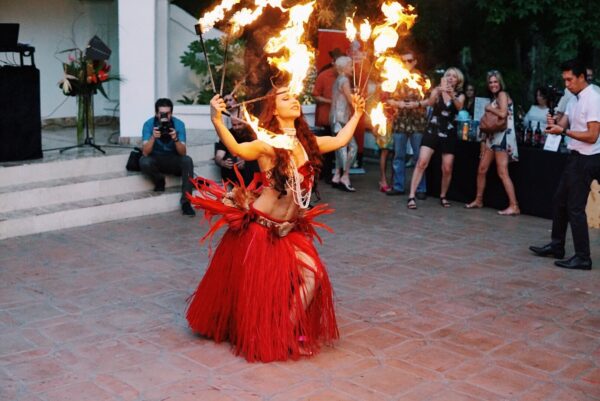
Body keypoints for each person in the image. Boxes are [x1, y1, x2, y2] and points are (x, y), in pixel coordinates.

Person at [185, 86, 366, 362]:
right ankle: (278, 334)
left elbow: (340, 139)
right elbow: (237, 149)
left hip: (289, 229)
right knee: (264, 289)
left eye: (294, 97)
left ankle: (284, 329)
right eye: (285, 98)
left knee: (312, 276)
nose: (293, 101)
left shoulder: (308, 144)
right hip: (261, 229)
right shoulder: (266, 144)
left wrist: (358, 113)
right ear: (274, 109)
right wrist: (216, 120)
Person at [529, 59, 600, 270]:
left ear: (581, 77)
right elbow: (561, 125)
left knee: (575, 208)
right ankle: (557, 246)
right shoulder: (573, 100)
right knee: (559, 200)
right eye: (564, 80)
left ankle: (583, 257)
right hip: (575, 156)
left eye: (570, 79)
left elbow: (593, 135)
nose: (567, 84)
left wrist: (564, 132)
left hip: (590, 158)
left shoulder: (593, 99)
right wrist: (553, 124)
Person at [406, 67, 465, 209]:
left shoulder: (460, 95)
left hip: (449, 131)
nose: (451, 78)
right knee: (422, 162)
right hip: (433, 128)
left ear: (458, 80)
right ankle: (411, 196)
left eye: (454, 76)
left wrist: (451, 95)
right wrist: (437, 92)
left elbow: (459, 106)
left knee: (447, 167)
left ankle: (443, 195)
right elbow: (431, 103)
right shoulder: (437, 90)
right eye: (448, 75)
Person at [464, 70, 520, 215]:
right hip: (492, 138)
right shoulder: (495, 97)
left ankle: (514, 206)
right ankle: (479, 200)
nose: (493, 84)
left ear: (500, 82)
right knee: (482, 169)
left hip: (502, 137)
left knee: (502, 172)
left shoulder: (502, 95)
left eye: (495, 81)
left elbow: (503, 113)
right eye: (490, 82)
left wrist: (489, 108)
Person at [140, 98, 195, 216]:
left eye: (168, 113)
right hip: (156, 159)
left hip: (173, 159)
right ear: (156, 114)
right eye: (162, 114)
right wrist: (153, 137)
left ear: (171, 113)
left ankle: (186, 202)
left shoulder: (179, 124)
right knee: (144, 161)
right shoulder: (149, 124)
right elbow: (145, 152)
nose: (165, 116)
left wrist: (175, 139)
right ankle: (159, 180)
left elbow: (183, 153)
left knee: (187, 160)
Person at [385, 50, 428, 198]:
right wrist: (399, 103)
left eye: (409, 60)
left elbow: (431, 100)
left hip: (417, 121)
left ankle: (420, 189)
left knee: (419, 156)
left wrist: (417, 104)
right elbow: (387, 99)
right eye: (403, 61)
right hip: (401, 120)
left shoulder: (423, 78)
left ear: (415, 61)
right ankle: (398, 186)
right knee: (398, 155)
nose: (406, 64)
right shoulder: (394, 77)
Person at [312, 48, 343, 183]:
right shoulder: (324, 76)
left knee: (340, 147)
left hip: (341, 118)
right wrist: (331, 101)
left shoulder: (345, 77)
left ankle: (338, 174)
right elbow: (315, 96)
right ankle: (325, 174)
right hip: (326, 118)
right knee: (327, 150)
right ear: (333, 62)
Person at [330, 56, 358, 192]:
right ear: (344, 67)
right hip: (341, 119)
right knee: (352, 147)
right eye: (350, 66)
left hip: (335, 118)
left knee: (339, 148)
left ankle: (336, 175)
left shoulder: (338, 80)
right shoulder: (345, 80)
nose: (352, 68)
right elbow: (351, 100)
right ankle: (345, 176)